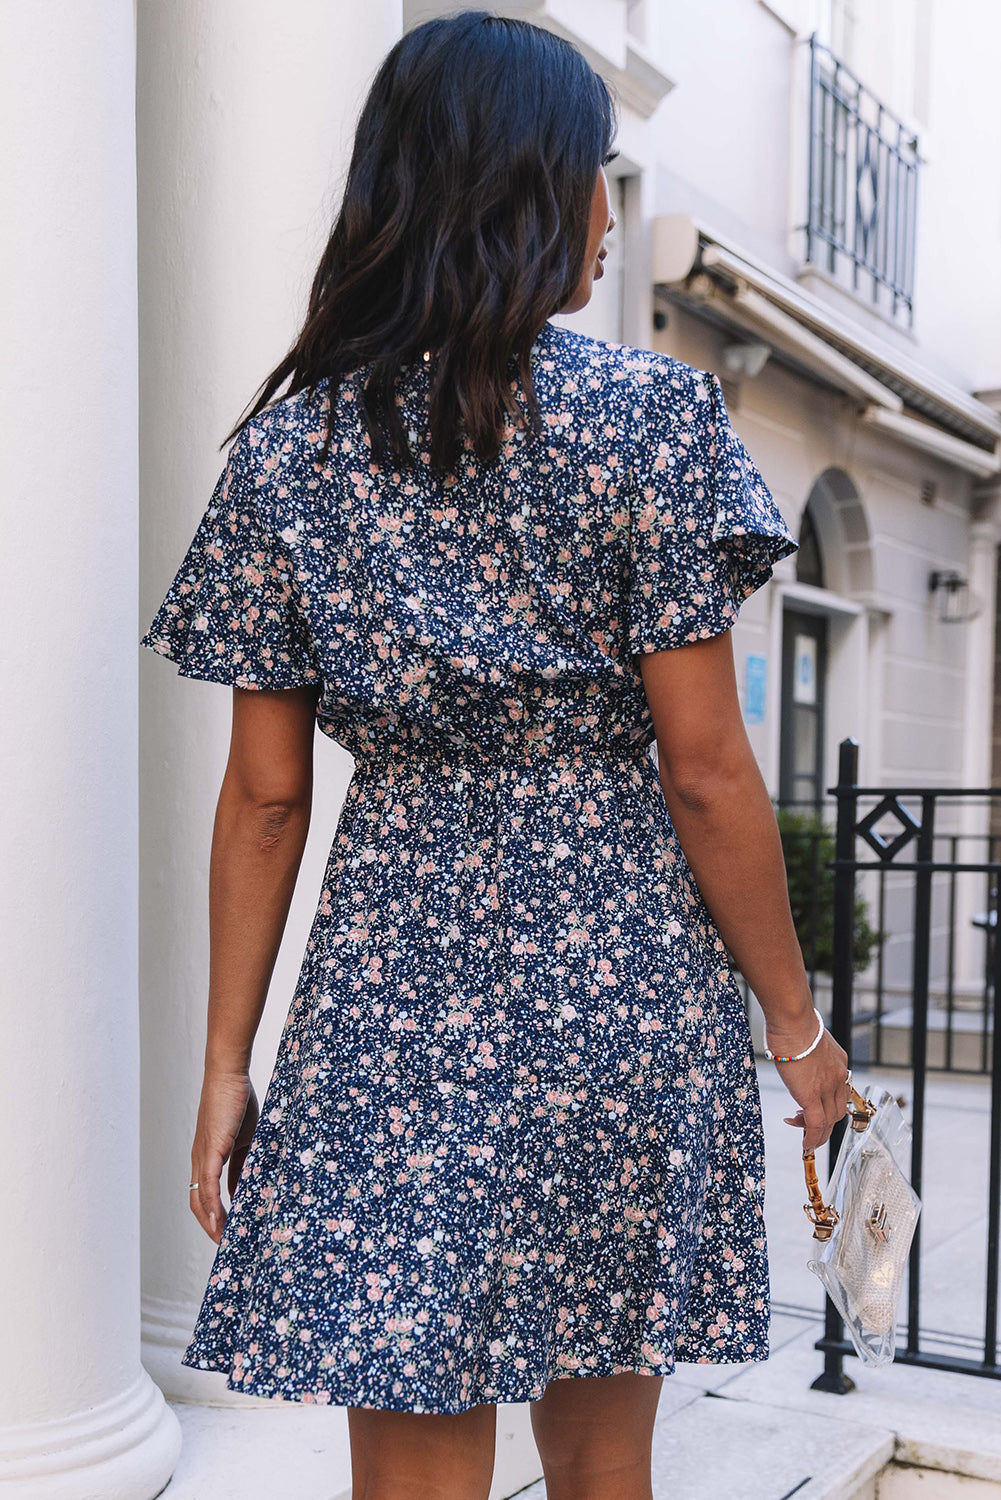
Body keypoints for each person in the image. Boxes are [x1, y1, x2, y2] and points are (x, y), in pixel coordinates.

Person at [140, 10, 850, 1499]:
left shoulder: (285, 455)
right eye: (593, 174)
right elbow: (705, 770)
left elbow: (267, 796)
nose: (603, 211)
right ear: (536, 190)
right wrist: (796, 1033)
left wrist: (223, 1061)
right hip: (622, 979)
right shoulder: (651, 419)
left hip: (390, 990)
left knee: (406, 1455)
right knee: (604, 1467)